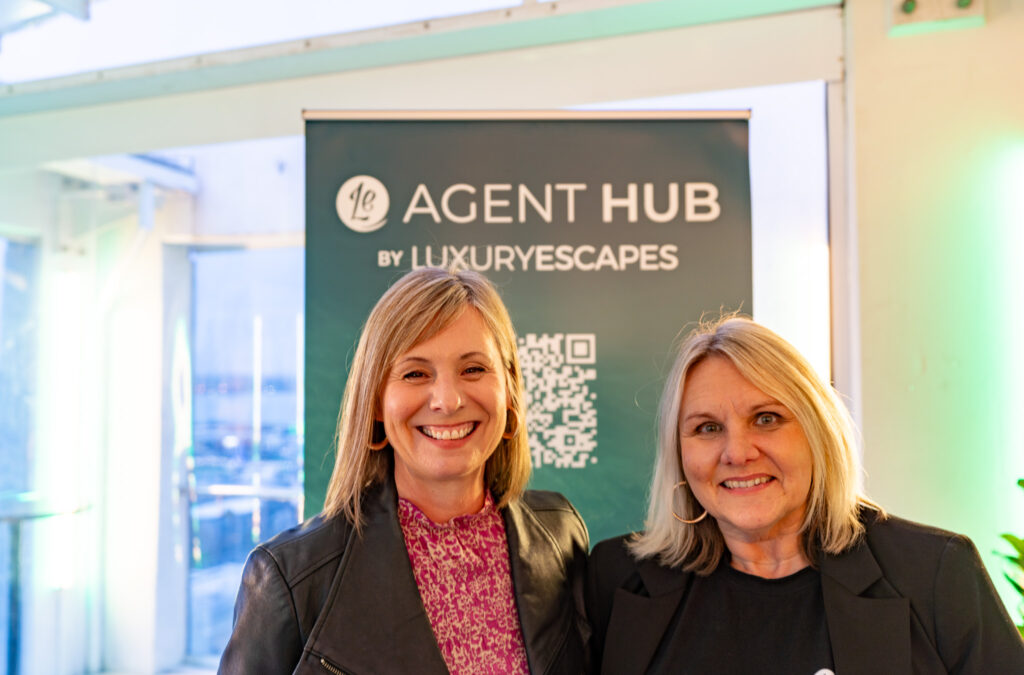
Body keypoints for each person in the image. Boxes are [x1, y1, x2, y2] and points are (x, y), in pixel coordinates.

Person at [587, 315, 1024, 674]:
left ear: (818, 432)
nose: (737, 452)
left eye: (766, 419)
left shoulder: (935, 574)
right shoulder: (617, 581)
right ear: (679, 454)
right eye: (707, 428)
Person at [220, 268, 589, 674]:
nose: (447, 400)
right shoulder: (289, 578)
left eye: (473, 369)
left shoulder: (560, 537)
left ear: (510, 389)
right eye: (415, 374)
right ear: (376, 401)